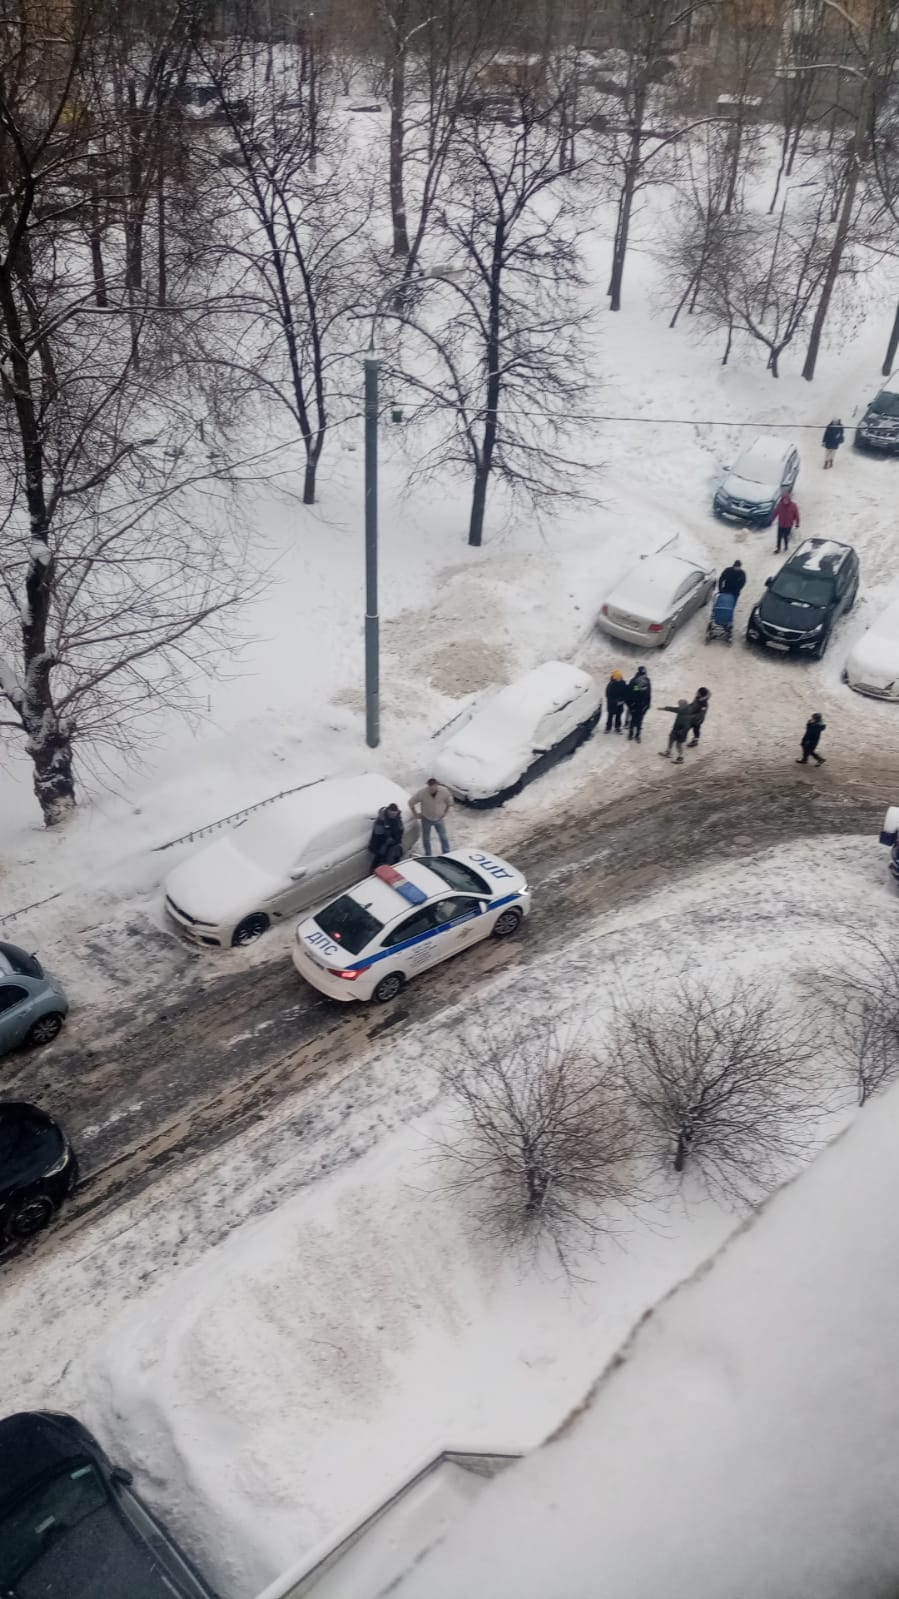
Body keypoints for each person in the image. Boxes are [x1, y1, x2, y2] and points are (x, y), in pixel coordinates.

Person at [411, 776, 453, 855]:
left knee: (443, 836)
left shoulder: (444, 791)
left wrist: (445, 812)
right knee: (426, 838)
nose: (432, 790)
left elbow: (450, 802)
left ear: (437, 785)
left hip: (439, 818)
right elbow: (411, 802)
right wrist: (416, 814)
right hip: (426, 819)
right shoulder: (422, 793)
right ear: (428, 786)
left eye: (433, 788)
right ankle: (428, 854)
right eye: (430, 789)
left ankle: (447, 853)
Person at [369, 803, 404, 868]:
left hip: (393, 845)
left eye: (394, 814)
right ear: (388, 811)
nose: (393, 815)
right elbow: (377, 836)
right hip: (382, 846)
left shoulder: (398, 819)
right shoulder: (381, 820)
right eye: (391, 813)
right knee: (379, 864)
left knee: (394, 864)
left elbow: (400, 831)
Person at [659, 700, 692, 764]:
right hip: (675, 730)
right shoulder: (682, 709)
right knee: (671, 738)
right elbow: (673, 709)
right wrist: (664, 708)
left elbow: (687, 726)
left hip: (681, 733)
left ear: (684, 705)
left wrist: (681, 732)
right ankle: (668, 752)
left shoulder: (688, 714)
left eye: (680, 705)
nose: (679, 706)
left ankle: (681, 757)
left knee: (678, 745)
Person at [626, 666, 651, 743]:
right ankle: (632, 734)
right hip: (636, 705)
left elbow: (649, 693)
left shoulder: (647, 682)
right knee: (634, 720)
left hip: (640, 705)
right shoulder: (634, 682)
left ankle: (635, 735)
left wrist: (647, 704)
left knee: (638, 720)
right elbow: (630, 694)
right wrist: (630, 705)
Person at [774, 489, 800, 554]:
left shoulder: (793, 506)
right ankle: (778, 548)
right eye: (784, 500)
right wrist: (771, 519)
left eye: (787, 500)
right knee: (779, 537)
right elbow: (775, 512)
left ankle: (786, 547)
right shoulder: (780, 505)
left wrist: (797, 523)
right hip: (781, 524)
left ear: (789, 500)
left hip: (788, 525)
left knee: (785, 536)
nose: (785, 501)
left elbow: (797, 515)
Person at [605, 669, 628, 733]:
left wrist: (623, 700)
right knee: (610, 716)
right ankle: (608, 727)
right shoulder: (610, 685)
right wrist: (615, 702)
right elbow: (608, 695)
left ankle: (617, 727)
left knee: (618, 716)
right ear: (614, 678)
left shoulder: (623, 684)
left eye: (620, 677)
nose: (619, 679)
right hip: (612, 704)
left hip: (620, 704)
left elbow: (625, 693)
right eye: (618, 678)